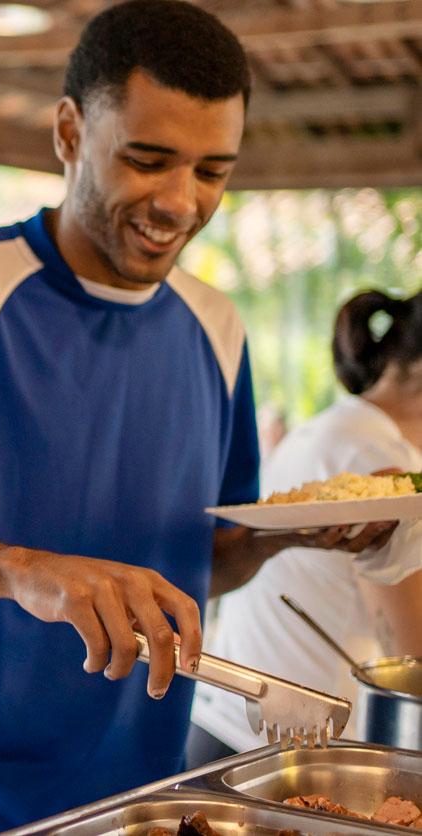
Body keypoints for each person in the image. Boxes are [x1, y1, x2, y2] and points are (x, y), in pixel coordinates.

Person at [0, 1, 393, 831]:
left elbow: (205, 563)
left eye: (212, 170)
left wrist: (299, 532)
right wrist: (19, 568)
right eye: (148, 160)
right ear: (69, 133)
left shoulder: (217, 325)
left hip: (137, 797)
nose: (180, 202)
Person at [190, 289, 422, 762]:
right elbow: (411, 654)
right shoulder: (379, 459)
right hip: (282, 749)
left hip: (229, 729)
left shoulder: (332, 428)